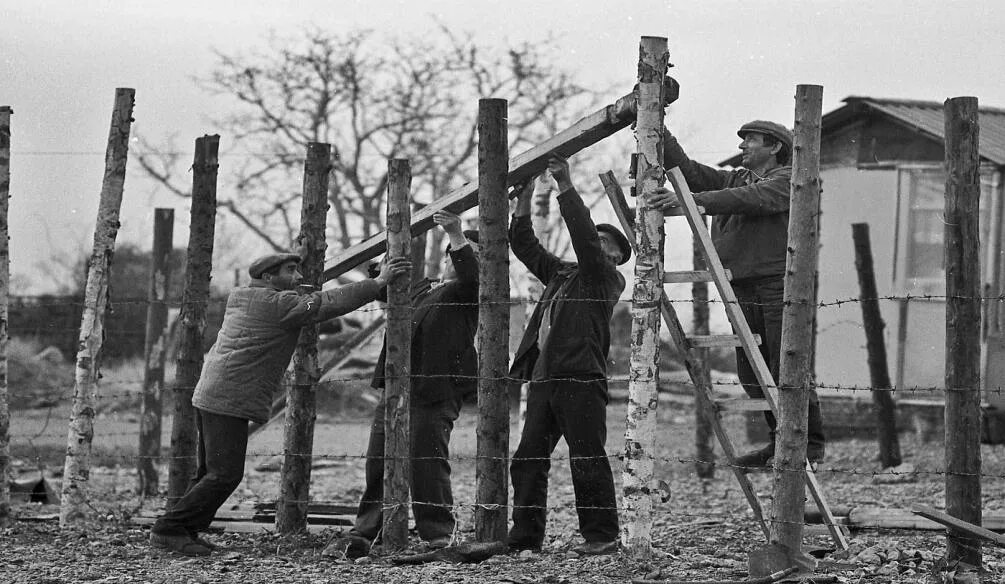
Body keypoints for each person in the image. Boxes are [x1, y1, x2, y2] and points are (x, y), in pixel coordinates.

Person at [149, 251, 410, 556]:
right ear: (268, 278)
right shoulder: (277, 305)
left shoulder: (246, 297)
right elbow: (325, 303)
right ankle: (168, 530)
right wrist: (377, 282)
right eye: (290, 270)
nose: (299, 277)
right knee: (224, 475)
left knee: (210, 471)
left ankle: (183, 530)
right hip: (227, 397)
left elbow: (311, 306)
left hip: (213, 392)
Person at [646, 119, 826, 470]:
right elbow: (689, 171)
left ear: (774, 147)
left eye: (751, 141)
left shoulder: (791, 180)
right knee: (751, 371)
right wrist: (657, 127)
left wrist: (691, 200)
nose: (742, 146)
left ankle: (808, 445)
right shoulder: (737, 179)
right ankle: (780, 442)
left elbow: (751, 199)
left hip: (780, 285)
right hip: (739, 285)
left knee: (784, 364)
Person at [324, 211, 480, 559]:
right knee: (379, 460)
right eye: (468, 251)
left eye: (477, 253)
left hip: (436, 389)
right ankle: (366, 533)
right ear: (445, 260)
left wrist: (456, 234)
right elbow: (388, 294)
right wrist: (383, 267)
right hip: (397, 387)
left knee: (427, 462)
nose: (470, 258)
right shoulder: (426, 289)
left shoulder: (471, 290)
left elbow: (471, 274)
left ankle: (439, 535)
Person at [507, 155, 631, 556]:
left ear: (613, 255)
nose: (596, 243)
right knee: (527, 460)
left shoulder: (606, 277)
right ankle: (524, 538)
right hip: (545, 380)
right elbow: (524, 245)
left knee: (587, 458)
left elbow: (581, 235)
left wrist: (564, 184)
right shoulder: (562, 275)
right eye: (596, 238)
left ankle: (601, 537)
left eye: (603, 241)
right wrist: (523, 198)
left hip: (581, 378)